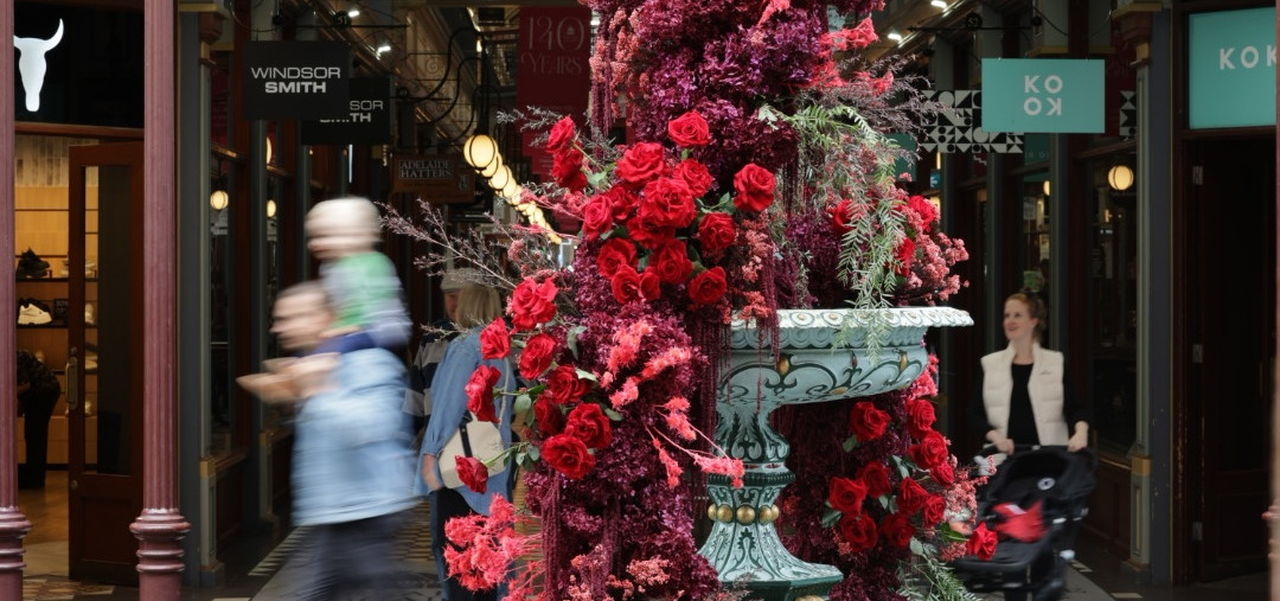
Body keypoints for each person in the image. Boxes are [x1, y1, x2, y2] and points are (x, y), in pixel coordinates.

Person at [251, 282, 417, 601]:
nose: (278, 327)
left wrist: (316, 391)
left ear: (324, 317)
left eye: (290, 317)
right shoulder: (312, 364)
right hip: (333, 515)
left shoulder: (368, 361)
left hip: (367, 515)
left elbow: (373, 426)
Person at [418, 283, 514, 601]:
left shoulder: (465, 344)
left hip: (460, 468)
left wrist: (431, 451)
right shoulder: (501, 346)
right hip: (493, 462)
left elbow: (448, 405)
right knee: (485, 561)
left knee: (456, 558)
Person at [973, 291, 1090, 455]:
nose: (1010, 321)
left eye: (1017, 315)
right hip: (1003, 464)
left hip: (1049, 462)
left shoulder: (1055, 362)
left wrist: (1081, 433)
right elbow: (975, 414)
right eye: (1007, 315)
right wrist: (997, 438)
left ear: (1033, 321)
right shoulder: (989, 364)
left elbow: (1076, 409)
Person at [306, 196, 411, 354]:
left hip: (378, 329)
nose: (314, 244)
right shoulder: (330, 267)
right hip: (353, 330)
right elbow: (339, 308)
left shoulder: (372, 264)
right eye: (314, 237)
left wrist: (336, 332)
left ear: (354, 236)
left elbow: (369, 314)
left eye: (325, 236)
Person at [403, 268, 478, 438]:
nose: (456, 303)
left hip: (484, 448)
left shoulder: (495, 336)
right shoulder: (432, 338)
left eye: (463, 296)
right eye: (451, 296)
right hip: (437, 445)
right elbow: (415, 399)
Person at [17, 349, 59, 489]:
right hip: (43, 391)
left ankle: (34, 478)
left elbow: (25, 385)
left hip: (43, 392)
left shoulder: (14, 357)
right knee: (34, 434)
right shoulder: (14, 354)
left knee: (35, 434)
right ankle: (34, 476)